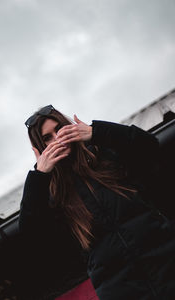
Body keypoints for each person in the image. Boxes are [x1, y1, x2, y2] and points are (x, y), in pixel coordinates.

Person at [19, 104, 175, 300]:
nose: (57, 139)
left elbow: (149, 146)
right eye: (47, 138)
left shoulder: (105, 154)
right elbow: (30, 236)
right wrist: (39, 176)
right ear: (40, 149)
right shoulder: (51, 194)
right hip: (121, 290)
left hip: (167, 263)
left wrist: (97, 131)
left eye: (59, 129)